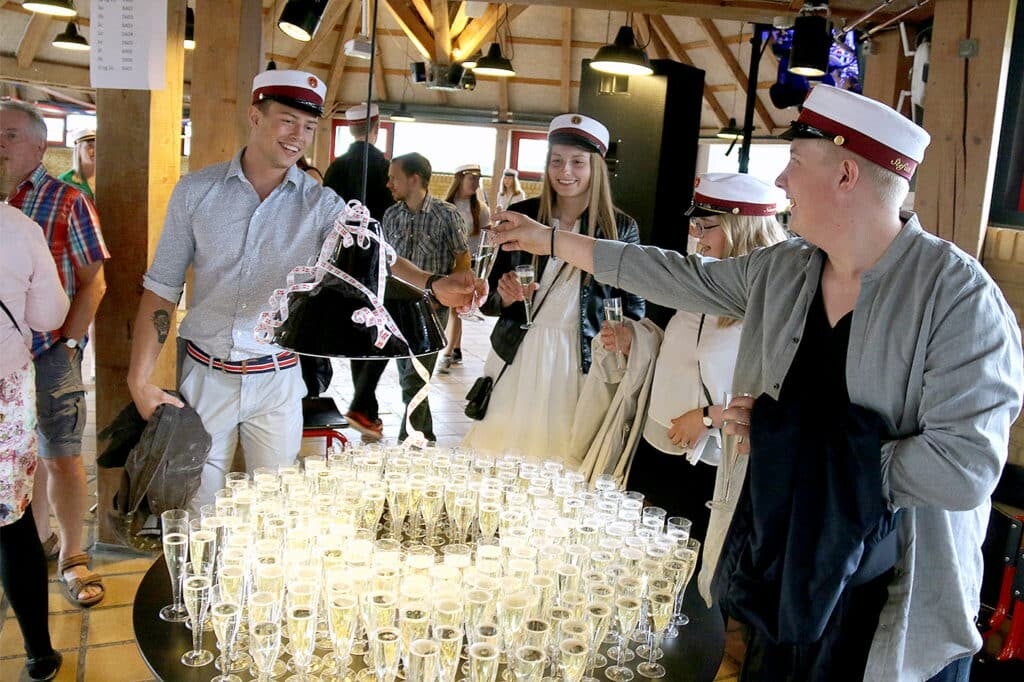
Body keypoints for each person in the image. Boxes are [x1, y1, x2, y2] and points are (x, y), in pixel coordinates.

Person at [491, 85, 1024, 681]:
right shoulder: (783, 269)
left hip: (889, 610)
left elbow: (963, 467)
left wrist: (796, 448)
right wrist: (551, 240)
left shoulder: (959, 298)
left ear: (846, 174)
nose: (781, 179)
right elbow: (676, 275)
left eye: (795, 160)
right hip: (779, 579)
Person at [128, 70, 480, 511]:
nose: (298, 136)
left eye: (309, 127)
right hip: (205, 377)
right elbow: (161, 287)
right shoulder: (197, 192)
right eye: (288, 121)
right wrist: (138, 379)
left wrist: (433, 283)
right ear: (255, 116)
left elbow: (378, 255)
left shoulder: (321, 204)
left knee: (273, 507)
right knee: (198, 508)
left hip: (278, 379)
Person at [599, 173, 788, 542]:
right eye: (695, 226)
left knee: (687, 559)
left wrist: (707, 417)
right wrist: (633, 341)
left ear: (741, 228)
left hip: (709, 462)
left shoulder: (772, 299)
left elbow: (777, 397)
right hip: (656, 446)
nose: (697, 237)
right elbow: (681, 354)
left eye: (706, 226)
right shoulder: (699, 279)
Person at [463, 113, 644, 461]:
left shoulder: (619, 227)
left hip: (579, 359)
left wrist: (622, 333)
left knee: (564, 456)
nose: (565, 171)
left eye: (577, 162)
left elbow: (635, 307)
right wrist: (505, 295)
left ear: (595, 167)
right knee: (500, 452)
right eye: (556, 161)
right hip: (517, 351)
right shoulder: (522, 213)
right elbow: (489, 299)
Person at [1, 100, 109, 609]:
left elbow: (94, 282)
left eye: (10, 136)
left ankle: (73, 555)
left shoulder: (67, 200)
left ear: (40, 145)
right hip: (5, 361)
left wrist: (68, 344)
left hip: (48, 351)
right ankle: (34, 542)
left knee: (61, 455)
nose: (1, 146)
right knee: (19, 460)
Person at [0, 204, 69, 681]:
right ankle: (38, 653)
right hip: (4, 387)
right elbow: (49, 314)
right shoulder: (17, 227)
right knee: (12, 522)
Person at [382, 152, 470, 443]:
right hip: (397, 307)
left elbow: (463, 259)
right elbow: (386, 262)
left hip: (431, 307)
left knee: (414, 378)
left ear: (414, 179)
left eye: (394, 178)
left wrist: (451, 295)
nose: (389, 184)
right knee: (410, 377)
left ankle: (409, 441)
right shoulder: (391, 215)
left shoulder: (446, 214)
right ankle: (426, 434)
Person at [323, 103, 396, 439]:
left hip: (341, 262)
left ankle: (367, 409)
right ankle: (362, 404)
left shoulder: (336, 167)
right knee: (383, 332)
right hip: (379, 262)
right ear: (377, 128)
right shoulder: (387, 167)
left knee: (361, 330)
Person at [438, 163, 491, 373]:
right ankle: (455, 349)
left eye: (478, 179)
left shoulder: (481, 209)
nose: (475, 183)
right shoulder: (445, 206)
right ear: (460, 179)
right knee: (452, 308)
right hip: (447, 263)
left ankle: (448, 352)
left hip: (469, 264)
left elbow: (487, 239)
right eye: (472, 178)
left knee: (456, 308)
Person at [58, 129, 96, 200]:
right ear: (78, 151)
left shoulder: (107, 178)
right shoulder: (65, 180)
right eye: (90, 146)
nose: (95, 150)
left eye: (97, 146)